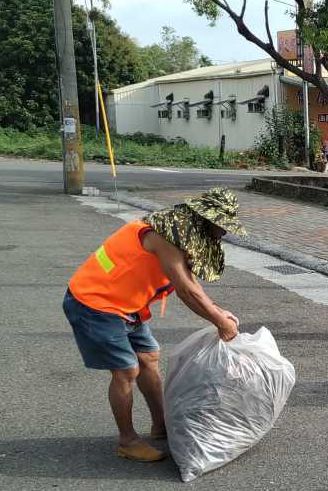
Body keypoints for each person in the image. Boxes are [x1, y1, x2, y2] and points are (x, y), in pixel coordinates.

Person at [63, 188, 244, 463]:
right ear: (206, 219)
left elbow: (189, 281)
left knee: (149, 358)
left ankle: (161, 425)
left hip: (128, 304)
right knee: (126, 371)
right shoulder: (165, 235)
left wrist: (218, 311)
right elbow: (185, 290)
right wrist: (219, 322)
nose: (224, 233)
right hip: (95, 304)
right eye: (222, 227)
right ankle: (128, 441)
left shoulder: (181, 229)